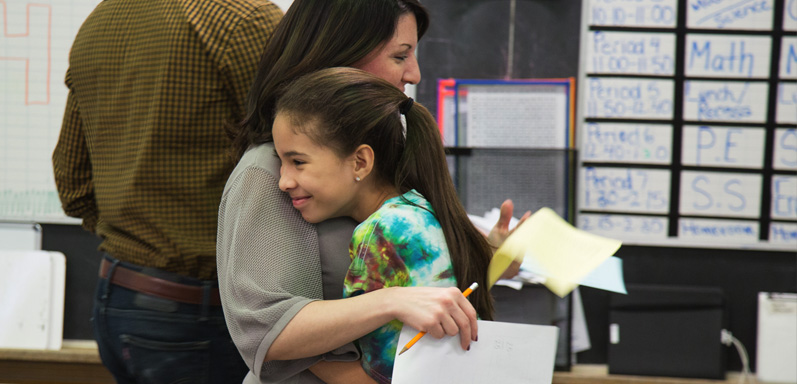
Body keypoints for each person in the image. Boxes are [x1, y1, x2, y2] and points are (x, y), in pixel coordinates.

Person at [217, 1, 527, 383]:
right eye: (400, 55)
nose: (413, 73)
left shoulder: (388, 154)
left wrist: (490, 258)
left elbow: (427, 288)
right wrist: (388, 302)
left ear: (360, 163)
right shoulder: (271, 173)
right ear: (343, 52)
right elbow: (263, 331)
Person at [51, 0, 282, 382]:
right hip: (200, 311)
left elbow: (73, 185)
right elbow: (304, 152)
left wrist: (145, 239)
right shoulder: (245, 20)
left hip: (117, 297)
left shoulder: (100, 20)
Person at [272, 67, 495, 383]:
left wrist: (285, 350)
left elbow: (373, 371)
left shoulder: (381, 233)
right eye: (280, 161)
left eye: (298, 162)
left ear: (360, 162)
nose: (283, 181)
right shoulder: (418, 207)